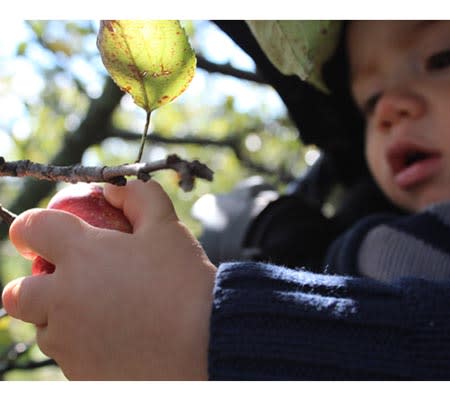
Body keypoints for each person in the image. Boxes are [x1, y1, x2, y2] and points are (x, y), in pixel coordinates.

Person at [3, 20, 450, 380]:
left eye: (439, 58)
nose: (390, 106)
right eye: (369, 102)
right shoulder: (367, 235)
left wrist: (200, 328)